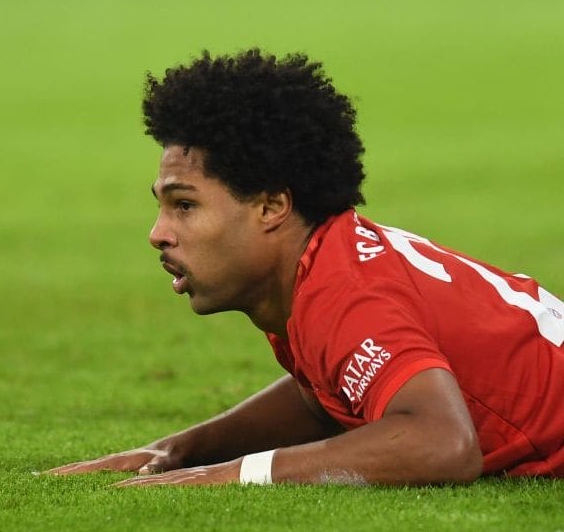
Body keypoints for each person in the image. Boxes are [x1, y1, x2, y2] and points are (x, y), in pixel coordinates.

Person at [46, 49, 564, 486]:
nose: (158, 232)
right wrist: (178, 451)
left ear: (272, 207)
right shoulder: (322, 268)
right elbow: (329, 394)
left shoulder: (345, 293)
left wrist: (236, 473)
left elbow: (444, 443)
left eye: (185, 205)